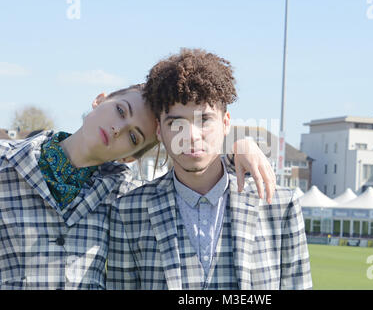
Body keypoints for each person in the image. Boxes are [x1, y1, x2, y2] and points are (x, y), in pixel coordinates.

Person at [0, 83, 275, 290]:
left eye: (133, 136)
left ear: (129, 157)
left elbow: (192, 173)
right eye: (120, 111)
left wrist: (239, 147)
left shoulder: (126, 195)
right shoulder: (6, 163)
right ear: (100, 100)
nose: (118, 128)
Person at [107, 48, 312, 290]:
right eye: (176, 123)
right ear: (159, 129)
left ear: (226, 123)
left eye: (204, 120)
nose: (191, 136)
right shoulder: (128, 211)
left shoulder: (280, 204)